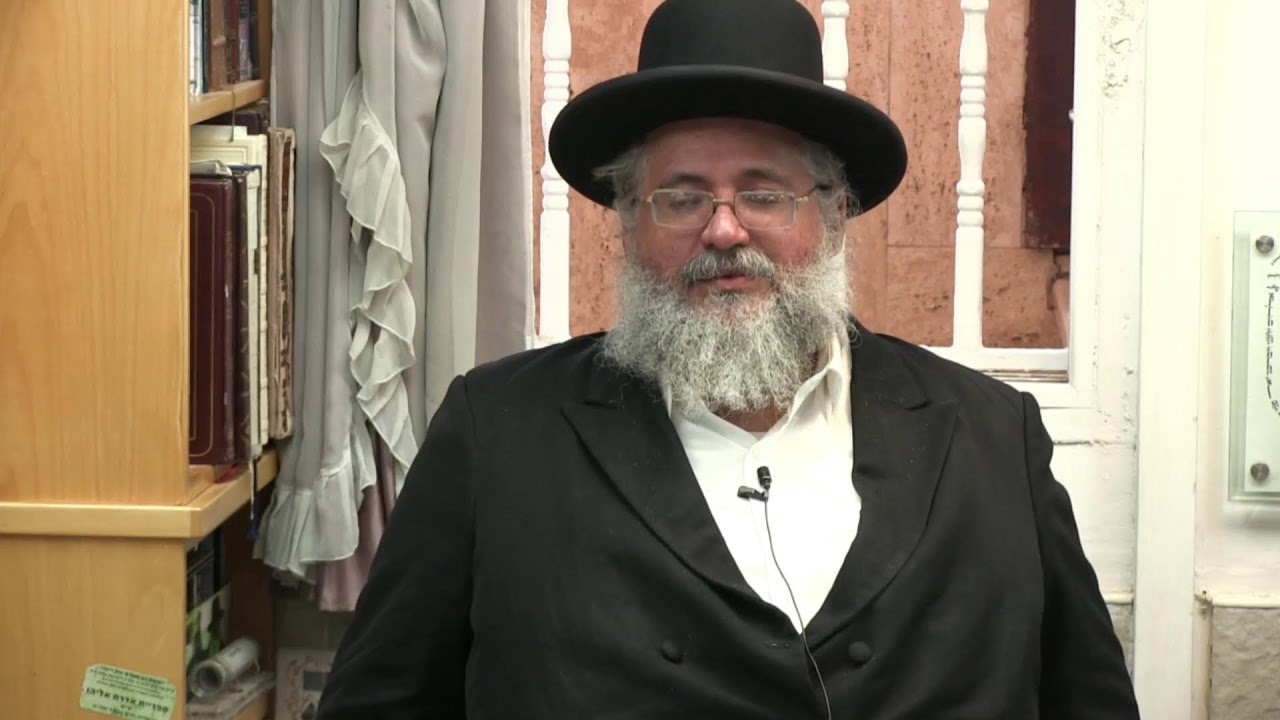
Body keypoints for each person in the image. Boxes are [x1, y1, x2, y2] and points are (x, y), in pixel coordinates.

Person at [314, 0, 1140, 717]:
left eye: (763, 193)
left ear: (835, 213)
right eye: (680, 198)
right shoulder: (497, 434)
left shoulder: (993, 439)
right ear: (628, 222)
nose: (723, 229)